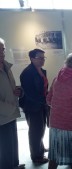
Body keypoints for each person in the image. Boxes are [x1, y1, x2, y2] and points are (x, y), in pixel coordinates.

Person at [20, 48, 49, 164]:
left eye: (43, 58)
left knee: (41, 128)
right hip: (32, 106)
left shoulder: (41, 70)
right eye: (40, 58)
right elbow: (29, 93)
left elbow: (43, 88)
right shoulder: (27, 73)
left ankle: (40, 149)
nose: (42, 60)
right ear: (32, 59)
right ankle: (36, 156)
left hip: (41, 104)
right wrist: (43, 101)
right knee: (35, 131)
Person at [0, 37, 25, 169]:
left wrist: (19, 92)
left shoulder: (6, 67)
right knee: (4, 148)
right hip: (3, 117)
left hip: (11, 113)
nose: (2, 53)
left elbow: (12, 88)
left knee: (13, 143)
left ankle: (14, 165)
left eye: (2, 50)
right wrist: (10, 109)